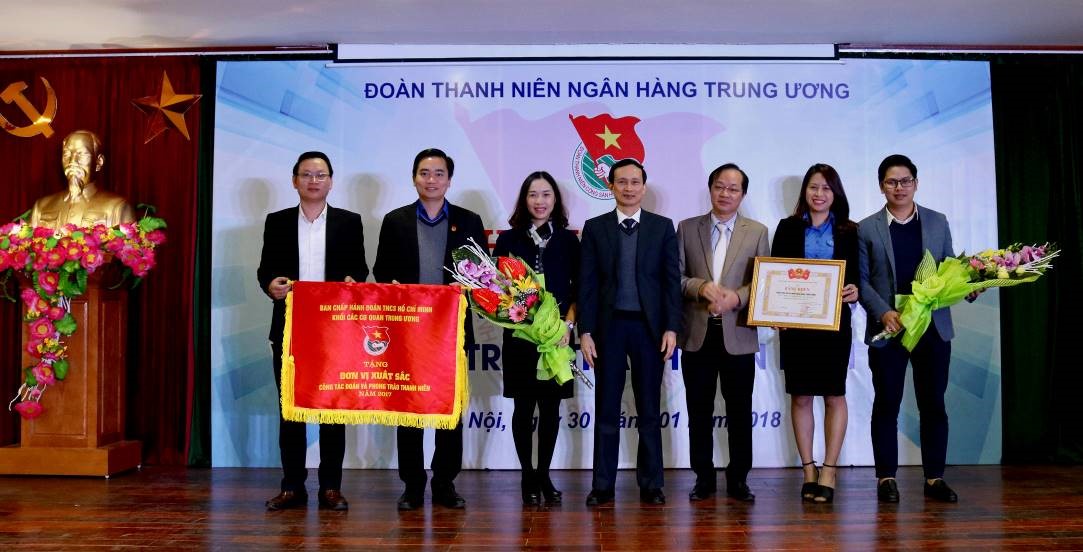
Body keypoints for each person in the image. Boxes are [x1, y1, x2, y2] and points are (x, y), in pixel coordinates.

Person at [373, 148, 486, 511]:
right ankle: (412, 484)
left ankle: (444, 482)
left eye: (439, 173)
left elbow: (483, 274)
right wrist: (392, 285)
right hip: (408, 331)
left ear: (449, 180)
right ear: (414, 178)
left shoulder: (468, 221)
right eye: (424, 173)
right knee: (409, 407)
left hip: (451, 330)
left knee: (448, 409)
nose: (431, 180)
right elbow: (381, 270)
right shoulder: (396, 220)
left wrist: (469, 287)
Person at [257, 151, 368, 511]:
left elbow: (360, 269)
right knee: (290, 410)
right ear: (295, 181)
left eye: (320, 175)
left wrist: (352, 281)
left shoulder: (349, 222)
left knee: (333, 411)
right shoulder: (277, 221)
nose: (313, 181)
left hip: (335, 330)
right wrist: (270, 285)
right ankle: (292, 486)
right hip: (290, 327)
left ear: (331, 181)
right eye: (306, 174)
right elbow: (265, 270)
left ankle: (331, 487)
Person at [858, 154, 965, 503]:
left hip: (932, 327)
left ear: (916, 183)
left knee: (933, 404)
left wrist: (968, 285)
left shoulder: (937, 221)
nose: (899, 187)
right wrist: (883, 312)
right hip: (890, 328)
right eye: (892, 182)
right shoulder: (867, 227)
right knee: (886, 403)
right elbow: (861, 280)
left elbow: (950, 268)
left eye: (905, 181)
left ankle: (934, 478)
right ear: (881, 186)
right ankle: (885, 478)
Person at [578, 159, 681, 506]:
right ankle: (602, 485)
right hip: (608, 329)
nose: (629, 188)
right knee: (606, 408)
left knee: (649, 408)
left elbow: (671, 283)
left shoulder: (662, 227)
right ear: (610, 186)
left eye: (635, 182)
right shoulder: (595, 228)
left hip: (649, 329)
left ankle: (651, 484)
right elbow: (587, 284)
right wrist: (586, 331)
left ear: (644, 187)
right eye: (621, 182)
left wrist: (671, 327)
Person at [676, 163, 769, 503]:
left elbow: (764, 279)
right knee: (698, 409)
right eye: (719, 186)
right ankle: (703, 477)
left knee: (740, 411)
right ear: (710, 188)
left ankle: (739, 478)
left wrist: (737, 298)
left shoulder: (757, 231)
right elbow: (675, 276)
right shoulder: (687, 228)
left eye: (733, 188)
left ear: (743, 194)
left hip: (738, 334)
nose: (725, 193)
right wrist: (700, 287)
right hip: (697, 333)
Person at [770, 163, 859, 504]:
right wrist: (774, 310)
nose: (819, 194)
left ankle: (829, 470)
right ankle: (808, 469)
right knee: (801, 396)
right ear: (804, 191)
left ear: (835, 193)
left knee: (834, 395)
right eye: (813, 187)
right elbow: (776, 274)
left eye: (826, 188)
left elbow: (860, 276)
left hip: (834, 326)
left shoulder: (850, 231)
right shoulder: (788, 227)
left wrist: (855, 290)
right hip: (796, 327)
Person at [492, 171, 580, 506]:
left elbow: (579, 289)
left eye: (546, 194)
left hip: (557, 338)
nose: (539, 201)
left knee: (551, 408)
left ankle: (544, 474)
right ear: (524, 200)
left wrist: (567, 328)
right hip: (520, 338)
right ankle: (527, 475)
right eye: (533, 195)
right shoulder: (508, 240)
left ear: (555, 199)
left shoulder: (569, 241)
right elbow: (498, 289)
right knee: (523, 407)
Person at [29, 129, 135, 228]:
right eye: (66, 154)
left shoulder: (118, 207)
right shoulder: (42, 207)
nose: (72, 161)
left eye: (82, 154)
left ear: (99, 162)